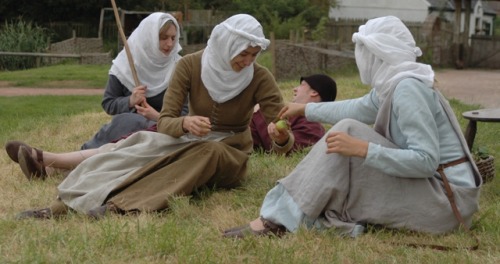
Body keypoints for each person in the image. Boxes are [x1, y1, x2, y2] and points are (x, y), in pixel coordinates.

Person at [223, 16, 482, 239]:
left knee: (349, 133)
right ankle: (287, 215)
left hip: (448, 203)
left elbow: (426, 161)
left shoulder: (407, 89)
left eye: (364, 50)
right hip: (439, 194)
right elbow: (356, 108)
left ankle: (277, 219)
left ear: (378, 52)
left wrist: (363, 149)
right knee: (347, 129)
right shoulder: (394, 84)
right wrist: (303, 109)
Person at [15, 14, 286, 220]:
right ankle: (62, 205)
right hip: (186, 139)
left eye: (254, 55)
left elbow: (284, 124)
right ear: (227, 46)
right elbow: (166, 121)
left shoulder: (260, 78)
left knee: (208, 151)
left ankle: (121, 205)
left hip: (228, 154)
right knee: (134, 147)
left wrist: (282, 137)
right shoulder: (189, 65)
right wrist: (185, 123)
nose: (249, 61)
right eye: (243, 54)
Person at [4, 74, 337, 179]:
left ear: (316, 94)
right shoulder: (275, 105)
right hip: (194, 131)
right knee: (127, 135)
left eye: (302, 86)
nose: (295, 90)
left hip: (208, 146)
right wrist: (158, 116)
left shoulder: (310, 125)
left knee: (127, 146)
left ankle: (45, 159)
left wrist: (280, 133)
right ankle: (50, 161)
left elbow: (285, 150)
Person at [80, 12, 187, 150]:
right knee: (125, 122)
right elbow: (108, 103)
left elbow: (185, 113)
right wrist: (130, 100)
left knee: (130, 122)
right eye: (163, 38)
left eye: (173, 38)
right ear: (149, 38)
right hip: (126, 131)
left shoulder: (179, 67)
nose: (170, 44)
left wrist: (157, 117)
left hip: (164, 134)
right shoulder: (125, 65)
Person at [251, 74, 337, 155]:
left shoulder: (314, 127)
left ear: (314, 92)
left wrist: (259, 112)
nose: (295, 89)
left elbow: (291, 151)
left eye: (302, 85)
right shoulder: (288, 114)